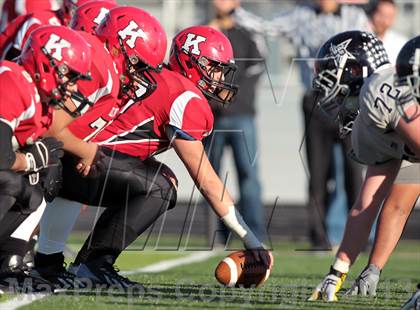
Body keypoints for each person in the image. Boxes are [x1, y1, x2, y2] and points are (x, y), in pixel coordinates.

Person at [34, 21, 270, 290]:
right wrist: (252, 241)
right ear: (192, 63)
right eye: (214, 68)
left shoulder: (160, 79)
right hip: (79, 160)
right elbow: (207, 179)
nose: (219, 78)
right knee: (161, 187)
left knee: (159, 175)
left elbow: (123, 137)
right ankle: (94, 264)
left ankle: (49, 262)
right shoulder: (187, 97)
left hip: (63, 154)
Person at [233, 0, 367, 248]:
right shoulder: (300, 16)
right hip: (315, 102)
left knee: (354, 174)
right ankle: (319, 238)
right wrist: (235, 12)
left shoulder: (354, 16)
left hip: (348, 101)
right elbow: (267, 27)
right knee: (317, 175)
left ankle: (359, 237)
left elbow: (366, 51)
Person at [308, 31, 419, 302]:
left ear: (355, 70)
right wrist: (341, 271)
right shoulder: (374, 122)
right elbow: (377, 205)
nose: (329, 95)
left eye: (331, 78)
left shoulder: (376, 90)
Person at [0, 25, 92, 292]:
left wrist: (34, 162)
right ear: (47, 64)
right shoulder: (12, 81)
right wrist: (28, 160)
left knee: (45, 175)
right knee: (13, 183)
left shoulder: (38, 99)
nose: (73, 85)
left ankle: (9, 262)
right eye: (70, 75)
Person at [204, 0, 267, 244]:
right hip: (212, 118)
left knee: (249, 176)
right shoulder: (205, 33)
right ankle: (218, 234)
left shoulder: (246, 35)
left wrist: (230, 97)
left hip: (241, 116)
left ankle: (255, 233)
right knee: (211, 177)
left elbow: (253, 71)